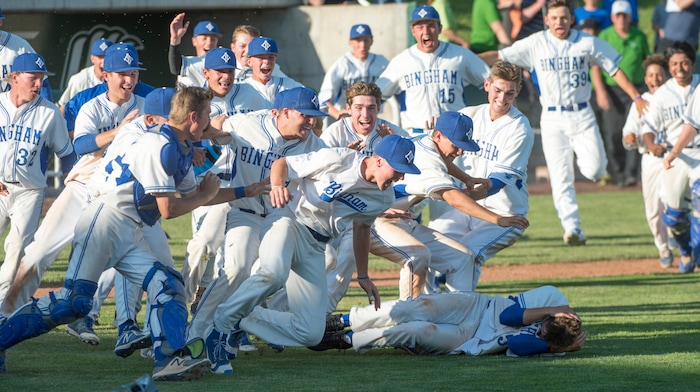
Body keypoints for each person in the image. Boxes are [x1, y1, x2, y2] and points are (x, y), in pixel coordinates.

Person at [0, 84, 264, 380]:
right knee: (74, 303)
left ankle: (168, 360)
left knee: (168, 285)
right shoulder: (159, 145)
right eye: (206, 117)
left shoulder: (176, 146)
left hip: (130, 227)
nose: (209, 123)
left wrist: (246, 190)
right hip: (105, 219)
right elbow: (171, 210)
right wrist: (204, 193)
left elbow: (198, 192)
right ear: (192, 117)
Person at [199, 131, 421, 375]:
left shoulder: (384, 196)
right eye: (398, 169)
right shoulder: (339, 158)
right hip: (290, 220)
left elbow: (362, 229)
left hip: (317, 245)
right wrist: (276, 186)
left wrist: (364, 275)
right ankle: (219, 328)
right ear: (379, 161)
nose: (400, 176)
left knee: (310, 332)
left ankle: (242, 317)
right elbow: (282, 164)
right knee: (273, 273)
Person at [0, 44, 147, 349]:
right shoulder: (92, 104)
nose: (129, 80)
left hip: (118, 198)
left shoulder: (147, 106)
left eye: (133, 73)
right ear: (106, 74)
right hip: (83, 187)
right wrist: (122, 130)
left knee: (133, 265)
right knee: (36, 255)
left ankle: (126, 327)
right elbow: (80, 146)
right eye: (122, 73)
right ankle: (5, 317)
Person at [479, 0, 647, 246]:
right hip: (552, 117)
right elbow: (500, 56)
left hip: (582, 114)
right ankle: (572, 229)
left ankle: (587, 171)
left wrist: (637, 96)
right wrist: (466, 60)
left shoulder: (586, 42)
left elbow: (614, 68)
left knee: (595, 169)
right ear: (546, 20)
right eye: (554, 17)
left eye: (564, 17)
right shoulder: (536, 43)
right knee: (560, 177)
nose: (559, 22)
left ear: (572, 19)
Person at [185, 87, 327, 373]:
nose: (311, 122)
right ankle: (194, 335)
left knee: (271, 274)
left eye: (314, 116)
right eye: (305, 115)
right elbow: (210, 128)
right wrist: (195, 143)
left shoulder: (316, 146)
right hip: (245, 212)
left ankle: (232, 326)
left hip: (282, 220)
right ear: (283, 112)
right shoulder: (249, 123)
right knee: (236, 269)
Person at [427, 61, 534, 289]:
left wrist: (466, 196)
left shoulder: (519, 127)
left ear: (518, 92)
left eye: (509, 93)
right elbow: (437, 150)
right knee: (425, 246)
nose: (502, 98)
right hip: (465, 209)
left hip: (504, 214)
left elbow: (497, 183)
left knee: (467, 255)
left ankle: (461, 313)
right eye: (498, 90)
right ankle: (425, 309)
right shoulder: (469, 115)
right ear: (487, 85)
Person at [180, 47, 268, 310]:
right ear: (206, 73)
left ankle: (233, 311)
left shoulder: (252, 95)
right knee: (204, 244)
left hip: (245, 183)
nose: (226, 77)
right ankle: (178, 301)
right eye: (220, 71)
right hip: (212, 183)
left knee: (245, 257)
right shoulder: (195, 99)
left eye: (230, 71)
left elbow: (268, 127)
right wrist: (194, 144)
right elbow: (179, 133)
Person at [311, 285, 587, 357]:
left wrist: (555, 347)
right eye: (545, 324)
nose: (540, 330)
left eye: (545, 333)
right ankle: (343, 319)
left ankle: (346, 340)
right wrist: (549, 310)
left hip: (469, 340)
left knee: (417, 330)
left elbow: (517, 343)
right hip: (479, 307)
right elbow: (507, 316)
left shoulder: (544, 343)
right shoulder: (552, 298)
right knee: (419, 306)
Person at [0, 53, 74, 320]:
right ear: (14, 78)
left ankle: (1, 313)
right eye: (33, 78)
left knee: (18, 249)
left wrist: (73, 183)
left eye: (42, 79)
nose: (39, 84)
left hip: (29, 191)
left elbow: (66, 153)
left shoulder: (49, 112)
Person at [375, 5, 490, 133]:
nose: (426, 31)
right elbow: (375, 95)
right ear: (413, 31)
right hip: (416, 135)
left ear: (439, 28)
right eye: (420, 27)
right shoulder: (401, 61)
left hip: (454, 134)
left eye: (431, 26)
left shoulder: (461, 55)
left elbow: (493, 82)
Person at [642, 41, 700, 273]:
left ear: (693, 64)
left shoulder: (698, 85)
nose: (679, 68)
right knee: (674, 216)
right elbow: (648, 126)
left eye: (685, 62)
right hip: (675, 158)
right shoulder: (663, 93)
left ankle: (697, 250)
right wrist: (650, 143)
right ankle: (685, 251)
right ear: (669, 65)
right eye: (674, 63)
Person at [621, 54, 673, 268]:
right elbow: (628, 135)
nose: (655, 79)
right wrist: (630, 138)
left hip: (673, 158)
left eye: (659, 74)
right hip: (650, 160)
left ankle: (684, 247)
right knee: (654, 210)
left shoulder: (674, 98)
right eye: (651, 75)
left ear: (666, 77)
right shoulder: (641, 102)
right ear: (646, 78)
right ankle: (663, 248)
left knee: (675, 204)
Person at [593, 0, 649, 187]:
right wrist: (600, 90)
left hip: (636, 89)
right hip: (612, 90)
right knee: (613, 133)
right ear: (612, 17)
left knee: (634, 130)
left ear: (630, 17)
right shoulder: (605, 35)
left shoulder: (639, 36)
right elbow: (595, 66)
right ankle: (617, 173)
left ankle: (631, 174)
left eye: (624, 15)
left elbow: (646, 62)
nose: (621, 19)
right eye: (618, 15)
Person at [662, 81, 700, 268]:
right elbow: (692, 125)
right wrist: (674, 153)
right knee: (674, 218)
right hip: (686, 155)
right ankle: (686, 251)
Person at [317, 24, 389, 122]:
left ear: (371, 41)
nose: (362, 45)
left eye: (366, 40)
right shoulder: (342, 64)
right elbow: (323, 98)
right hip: (347, 119)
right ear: (350, 43)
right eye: (358, 41)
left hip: (374, 118)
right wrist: (337, 113)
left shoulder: (382, 62)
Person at [0, 8, 53, 100]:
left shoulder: (19, 45)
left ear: (0, 22)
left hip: (15, 108)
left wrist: (47, 110)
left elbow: (42, 82)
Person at [57, 38, 113, 111]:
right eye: (100, 57)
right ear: (92, 58)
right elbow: (63, 108)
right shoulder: (80, 80)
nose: (104, 61)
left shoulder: (120, 78)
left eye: (107, 57)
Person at [243, 36, 304, 104]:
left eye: (271, 57)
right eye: (261, 57)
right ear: (249, 62)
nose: (266, 61)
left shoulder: (290, 86)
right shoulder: (241, 88)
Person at [168, 13, 221, 87]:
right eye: (204, 38)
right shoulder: (189, 62)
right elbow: (175, 68)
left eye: (213, 39)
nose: (209, 43)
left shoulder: (222, 66)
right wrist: (175, 40)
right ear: (194, 41)